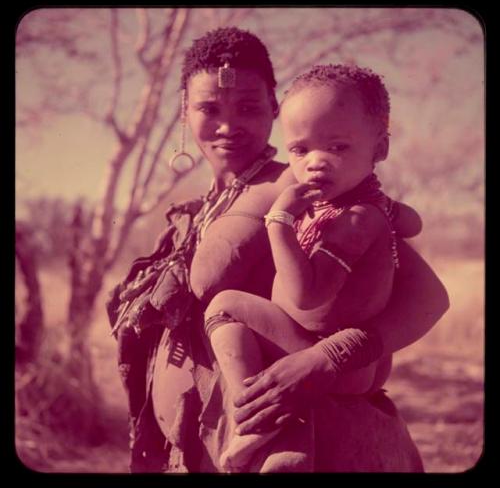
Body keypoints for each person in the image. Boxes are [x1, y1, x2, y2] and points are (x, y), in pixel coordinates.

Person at [106, 27, 449, 473]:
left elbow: (429, 297)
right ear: (184, 114)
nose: (228, 126)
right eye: (209, 108)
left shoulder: (316, 191)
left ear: (274, 107)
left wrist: (329, 356)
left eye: (249, 107)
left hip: (308, 438)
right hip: (207, 444)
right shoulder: (196, 212)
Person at [203, 63, 422, 472]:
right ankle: (281, 439)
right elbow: (413, 222)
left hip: (330, 355)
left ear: (380, 148)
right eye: (301, 150)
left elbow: (307, 295)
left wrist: (278, 225)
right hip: (340, 357)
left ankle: (252, 418)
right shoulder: (361, 208)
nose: (316, 162)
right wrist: (392, 210)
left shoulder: (354, 218)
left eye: (337, 147)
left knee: (225, 305)